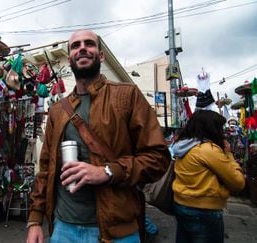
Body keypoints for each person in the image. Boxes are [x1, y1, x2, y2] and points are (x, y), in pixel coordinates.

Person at [26, 29, 171, 243]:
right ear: (69, 59)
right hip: (63, 229)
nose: (82, 48)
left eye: (89, 44)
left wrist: (107, 171)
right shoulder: (58, 110)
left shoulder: (127, 95)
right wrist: (35, 220)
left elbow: (158, 157)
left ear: (100, 55)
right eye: (75, 46)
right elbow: (46, 168)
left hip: (117, 231)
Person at [171, 110, 245, 243]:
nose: (222, 132)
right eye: (219, 128)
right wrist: (228, 154)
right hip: (204, 210)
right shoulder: (208, 149)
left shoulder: (183, 146)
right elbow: (238, 183)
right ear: (211, 128)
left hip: (181, 204)